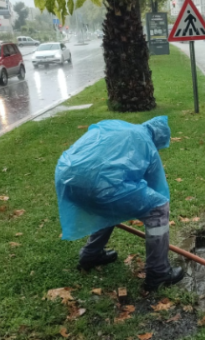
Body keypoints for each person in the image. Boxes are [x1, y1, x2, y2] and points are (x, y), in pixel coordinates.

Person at [55, 117, 184, 291]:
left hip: (67, 178)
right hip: (100, 186)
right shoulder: (147, 144)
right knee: (158, 208)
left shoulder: (117, 126)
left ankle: (91, 255)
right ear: (158, 140)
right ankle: (159, 273)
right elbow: (157, 188)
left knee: (111, 204)